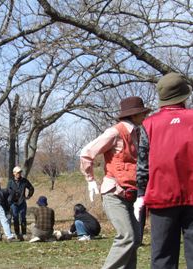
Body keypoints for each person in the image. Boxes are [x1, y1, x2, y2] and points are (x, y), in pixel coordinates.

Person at [80, 96, 150, 269]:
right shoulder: (115, 132)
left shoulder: (139, 133)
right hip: (114, 194)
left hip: (131, 195)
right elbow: (86, 152)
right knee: (127, 236)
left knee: (134, 240)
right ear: (133, 115)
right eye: (142, 113)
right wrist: (90, 180)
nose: (144, 116)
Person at [135, 72, 193, 269]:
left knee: (162, 258)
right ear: (185, 96)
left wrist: (141, 193)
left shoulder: (148, 125)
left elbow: (143, 164)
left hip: (161, 198)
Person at [7, 166, 34, 240]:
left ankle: (24, 233)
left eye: (20, 172)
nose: (19, 174)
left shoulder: (24, 181)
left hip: (22, 202)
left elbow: (31, 188)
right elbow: (7, 192)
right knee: (15, 218)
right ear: (14, 173)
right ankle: (17, 234)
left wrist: (28, 196)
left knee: (23, 218)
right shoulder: (10, 182)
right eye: (18, 172)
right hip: (14, 203)